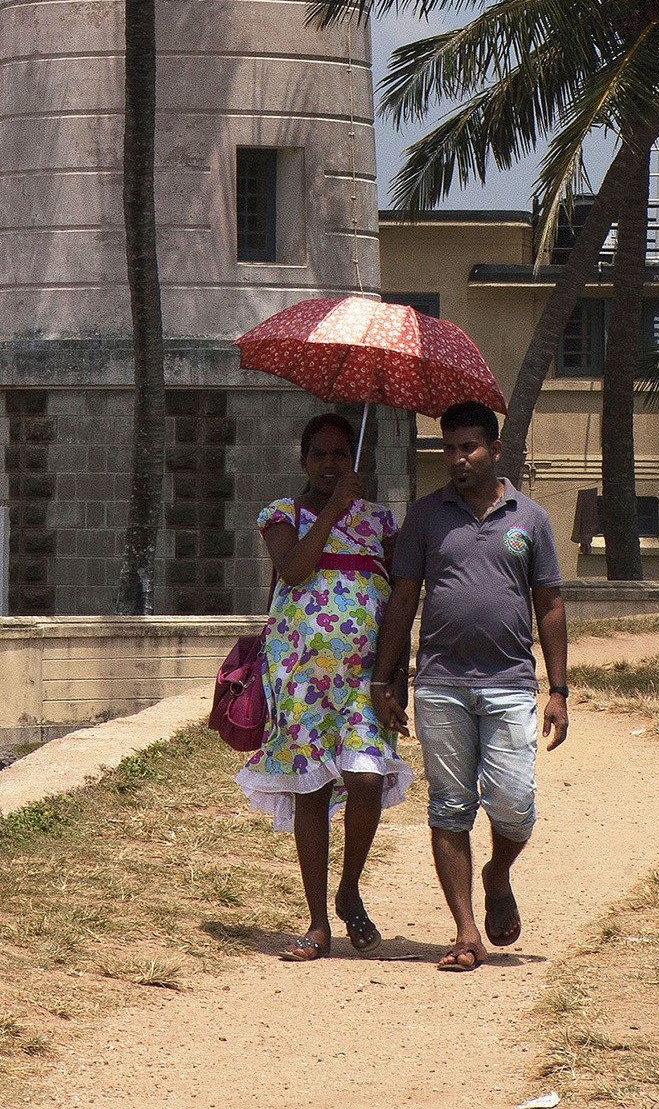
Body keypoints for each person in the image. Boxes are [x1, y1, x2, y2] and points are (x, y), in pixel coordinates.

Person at [370, 398, 568, 973]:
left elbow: (549, 603)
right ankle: (463, 932)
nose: (456, 458)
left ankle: (497, 872)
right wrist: (387, 678)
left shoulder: (529, 518)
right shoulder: (427, 517)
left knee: (514, 803)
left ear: (495, 451)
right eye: (448, 447)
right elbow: (403, 599)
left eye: (468, 447)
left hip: (509, 683)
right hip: (441, 683)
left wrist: (558, 689)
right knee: (449, 807)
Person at [237, 408, 410, 961]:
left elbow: (400, 605)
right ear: (304, 460)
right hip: (300, 679)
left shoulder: (381, 522)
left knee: (365, 779)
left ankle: (349, 887)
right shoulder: (281, 514)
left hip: (365, 680)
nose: (331, 463)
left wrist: (395, 681)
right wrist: (333, 511)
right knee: (310, 790)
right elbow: (293, 569)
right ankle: (316, 923)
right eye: (320, 454)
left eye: (341, 453)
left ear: (355, 458)